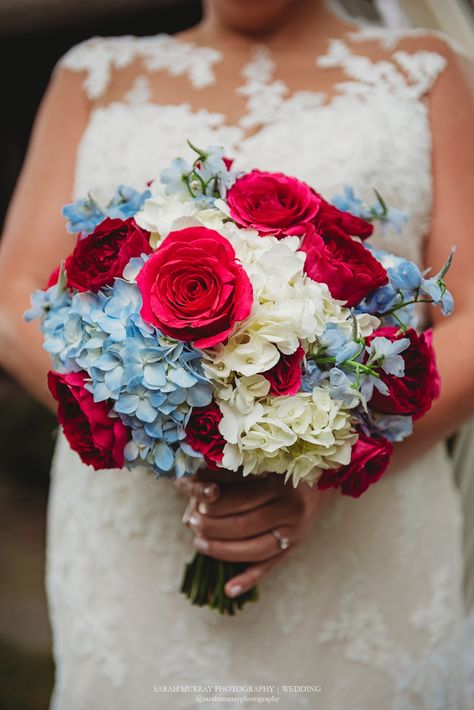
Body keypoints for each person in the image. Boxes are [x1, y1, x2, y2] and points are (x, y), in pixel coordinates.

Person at [0, 0, 473, 707]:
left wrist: (319, 462)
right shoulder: (94, 74)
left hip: (364, 526)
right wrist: (154, 426)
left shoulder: (423, 73)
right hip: (135, 531)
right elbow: (14, 298)